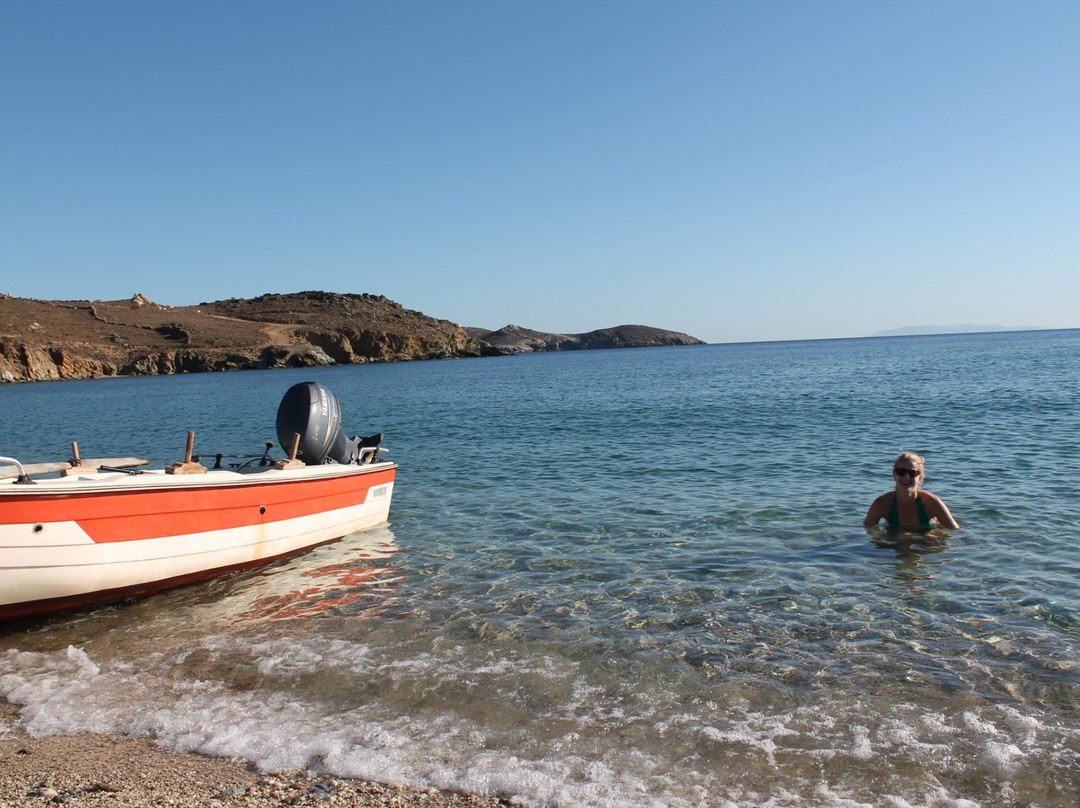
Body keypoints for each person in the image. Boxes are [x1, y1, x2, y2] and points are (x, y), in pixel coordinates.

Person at [864, 451, 959, 529]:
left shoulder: (932, 503)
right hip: (896, 544)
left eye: (912, 473)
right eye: (901, 472)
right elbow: (866, 529)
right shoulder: (882, 504)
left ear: (920, 478)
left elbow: (955, 530)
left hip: (925, 544)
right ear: (894, 475)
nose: (906, 477)